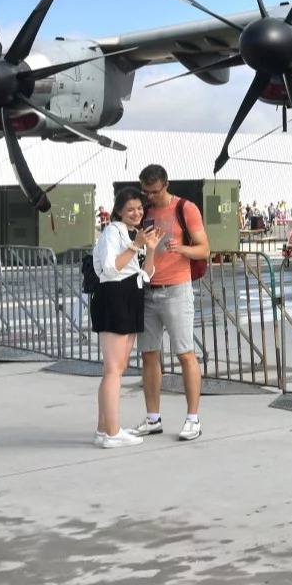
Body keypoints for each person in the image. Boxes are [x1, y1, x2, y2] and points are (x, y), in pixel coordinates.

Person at [134, 165, 209, 442]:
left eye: (153, 191)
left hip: (177, 289)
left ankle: (193, 418)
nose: (149, 196)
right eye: (146, 191)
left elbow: (204, 248)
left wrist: (182, 249)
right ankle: (153, 417)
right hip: (149, 288)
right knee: (149, 354)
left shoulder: (185, 208)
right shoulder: (145, 211)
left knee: (185, 353)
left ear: (166, 185)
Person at [91, 187, 160, 448]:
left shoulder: (135, 235)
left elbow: (146, 274)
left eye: (140, 208)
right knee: (113, 369)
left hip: (132, 293)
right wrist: (136, 245)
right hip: (114, 295)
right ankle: (112, 431)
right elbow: (111, 268)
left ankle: (103, 429)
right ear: (119, 210)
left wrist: (150, 248)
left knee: (117, 368)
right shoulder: (112, 231)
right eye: (130, 209)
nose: (137, 213)